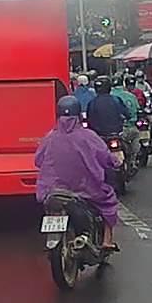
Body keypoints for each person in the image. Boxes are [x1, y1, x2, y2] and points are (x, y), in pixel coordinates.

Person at [35, 95, 120, 250]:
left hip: (52, 190)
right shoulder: (89, 136)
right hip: (85, 189)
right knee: (109, 202)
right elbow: (105, 157)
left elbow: (38, 160)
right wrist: (115, 161)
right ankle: (107, 240)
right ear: (79, 115)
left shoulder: (50, 137)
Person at [110, 76, 141, 147]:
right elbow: (137, 109)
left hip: (116, 131)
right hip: (132, 127)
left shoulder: (109, 97)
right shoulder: (131, 96)